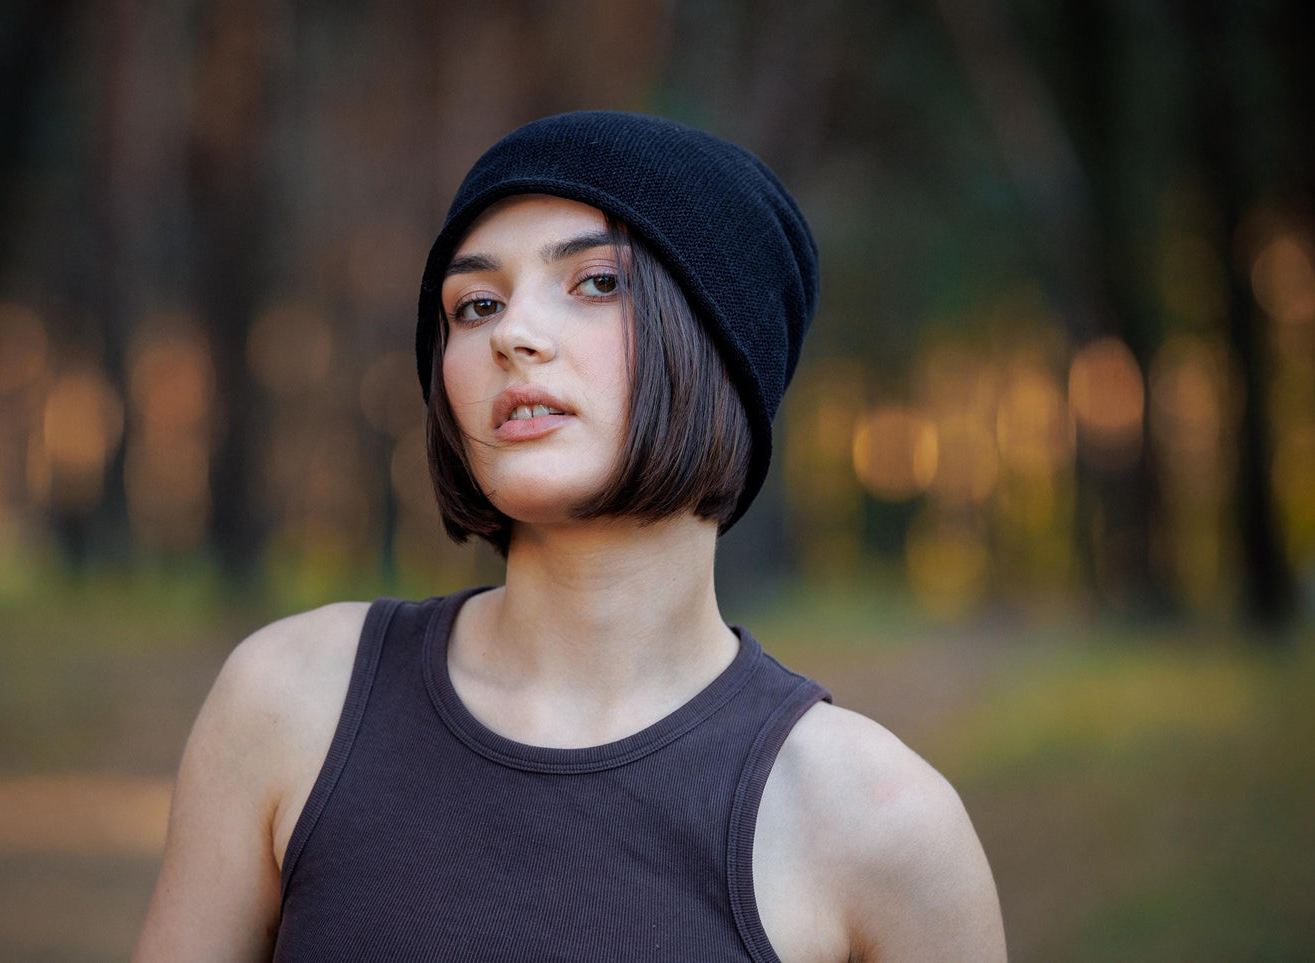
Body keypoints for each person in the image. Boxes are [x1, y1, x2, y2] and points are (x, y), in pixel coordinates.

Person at [133, 111, 1006, 962]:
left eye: (595, 282)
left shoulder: (878, 823)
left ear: (724, 342)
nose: (511, 333)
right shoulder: (290, 701)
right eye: (474, 303)